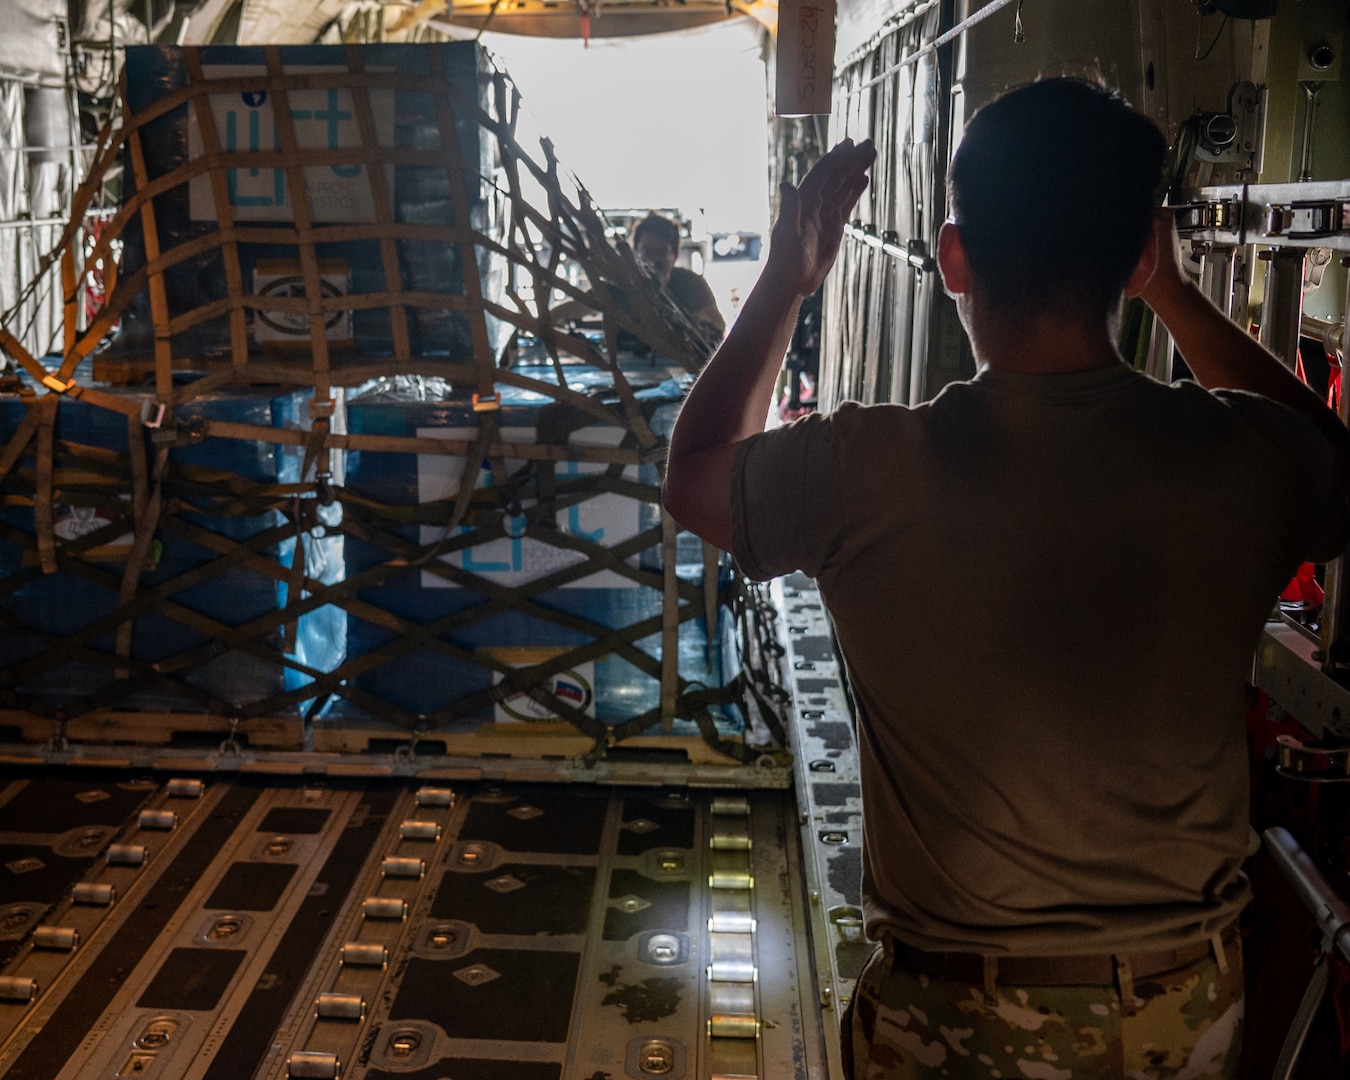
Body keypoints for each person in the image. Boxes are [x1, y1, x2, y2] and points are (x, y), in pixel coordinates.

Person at [663, 78, 1350, 1079]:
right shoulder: (1237, 461)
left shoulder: (869, 468)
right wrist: (1171, 290)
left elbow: (694, 475)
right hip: (1183, 1012)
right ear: (1136, 254)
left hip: (958, 1020)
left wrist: (785, 277)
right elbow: (1332, 463)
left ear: (953, 258)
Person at [630, 212, 726, 341]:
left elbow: (716, 325)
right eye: (646, 251)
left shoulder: (692, 284)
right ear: (634, 252)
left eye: (661, 252)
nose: (652, 260)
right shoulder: (619, 282)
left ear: (674, 256)